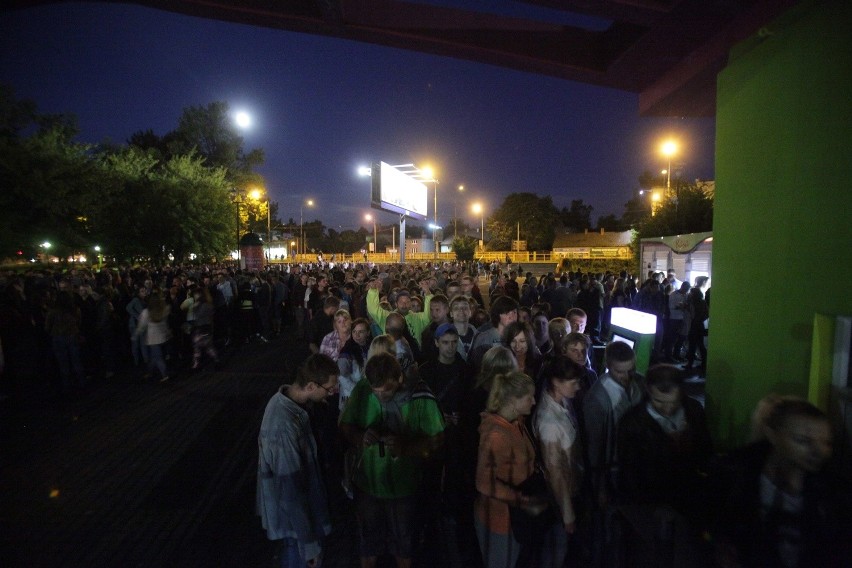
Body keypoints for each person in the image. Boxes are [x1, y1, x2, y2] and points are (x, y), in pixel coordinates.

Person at [714, 398, 852, 568]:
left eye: (827, 443)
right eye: (803, 440)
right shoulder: (734, 473)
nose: (820, 452)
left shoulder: (834, 494)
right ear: (772, 435)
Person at [339, 352, 445, 568]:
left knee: (404, 544)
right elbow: (345, 425)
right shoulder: (363, 389)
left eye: (386, 391)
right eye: (375, 392)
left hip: (404, 487)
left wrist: (405, 447)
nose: (380, 397)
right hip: (368, 485)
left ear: (400, 379)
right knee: (368, 543)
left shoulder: (420, 395)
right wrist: (360, 437)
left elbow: (438, 439)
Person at [616, 365, 713, 562]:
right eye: (660, 402)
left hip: (687, 501)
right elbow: (629, 472)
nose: (668, 408)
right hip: (651, 506)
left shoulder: (694, 410)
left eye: (673, 402)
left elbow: (705, 451)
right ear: (649, 391)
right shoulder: (632, 423)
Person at [257, 353, 340, 568]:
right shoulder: (283, 426)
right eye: (329, 389)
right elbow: (290, 491)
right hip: (298, 527)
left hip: (305, 516)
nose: (332, 393)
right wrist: (309, 543)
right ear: (311, 386)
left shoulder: (292, 403)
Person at [474, 371, 546, 568]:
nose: (533, 401)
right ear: (513, 401)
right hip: (499, 520)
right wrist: (523, 501)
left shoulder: (516, 423)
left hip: (513, 518)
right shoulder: (497, 435)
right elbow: (483, 482)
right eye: (529, 397)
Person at [582, 340, 643, 566]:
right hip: (611, 473)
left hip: (632, 469)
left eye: (630, 370)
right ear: (608, 366)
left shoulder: (639, 384)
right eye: (620, 372)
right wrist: (599, 488)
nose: (626, 376)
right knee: (607, 532)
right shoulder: (597, 398)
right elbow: (594, 448)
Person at [534, 357, 586, 568]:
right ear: (556, 382)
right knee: (557, 551)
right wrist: (568, 515)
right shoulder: (550, 423)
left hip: (569, 492)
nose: (578, 386)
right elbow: (555, 471)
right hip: (559, 501)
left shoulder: (562, 402)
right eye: (572, 382)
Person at [135, 292, 172, 382]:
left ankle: (165, 375)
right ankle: (149, 372)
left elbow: (141, 326)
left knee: (158, 357)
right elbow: (165, 323)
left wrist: (135, 335)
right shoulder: (164, 310)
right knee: (154, 357)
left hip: (153, 338)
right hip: (163, 336)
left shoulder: (146, 312)